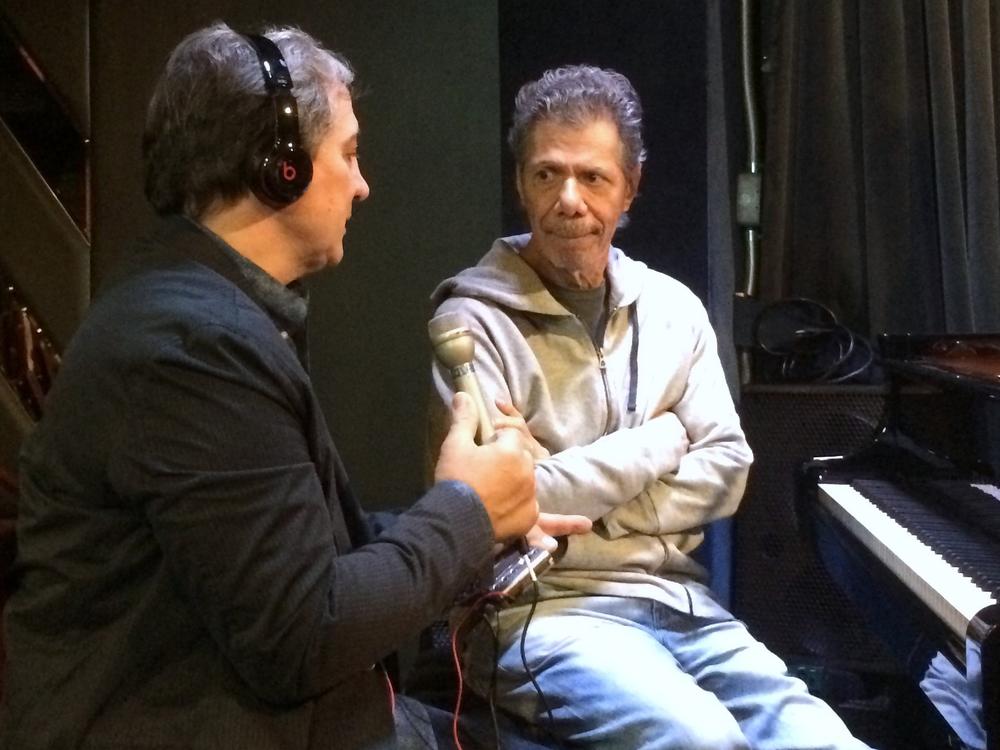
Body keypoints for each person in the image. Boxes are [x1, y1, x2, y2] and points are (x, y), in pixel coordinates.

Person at [0, 23, 589, 750]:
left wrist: (487, 526)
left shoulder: (207, 313)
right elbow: (302, 636)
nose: (363, 183)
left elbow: (287, 552)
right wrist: (464, 510)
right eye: (347, 153)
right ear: (280, 167)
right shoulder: (189, 349)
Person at [428, 65, 873, 750]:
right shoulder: (469, 326)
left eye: (593, 177)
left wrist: (575, 513)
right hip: (543, 614)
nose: (568, 199)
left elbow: (728, 468)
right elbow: (505, 503)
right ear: (520, 182)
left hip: (680, 603)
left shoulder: (674, 310)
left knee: (825, 742)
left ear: (631, 184)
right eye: (547, 174)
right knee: (700, 740)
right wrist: (661, 443)